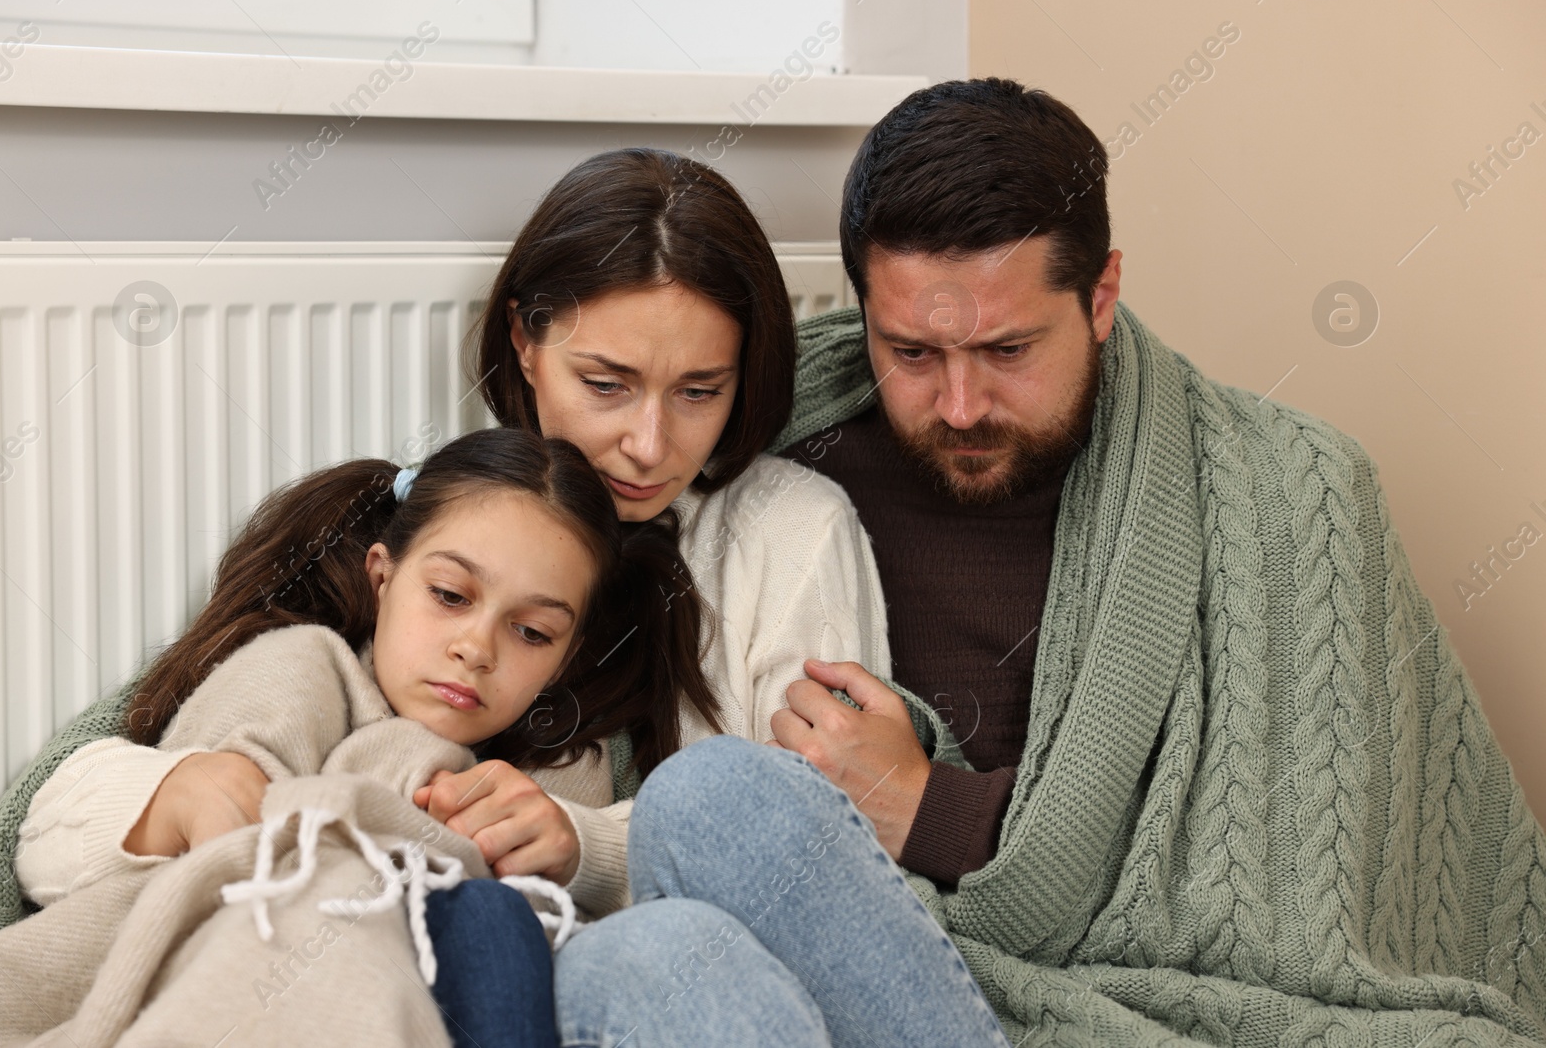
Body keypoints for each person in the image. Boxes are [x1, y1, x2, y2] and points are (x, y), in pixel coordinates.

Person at [568, 79, 1546, 1045]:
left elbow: (1303, 894)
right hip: (853, 963)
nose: (958, 404)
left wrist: (929, 808)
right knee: (656, 913)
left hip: (1088, 993)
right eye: (910, 352)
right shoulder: (749, 445)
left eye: (1006, 349)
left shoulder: (1289, 494)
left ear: (1101, 294)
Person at [0, 148, 1008, 1045]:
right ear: (525, 340)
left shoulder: (787, 526)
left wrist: (581, 842)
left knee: (714, 799)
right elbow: (106, 767)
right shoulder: (438, 530)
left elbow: (818, 842)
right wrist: (179, 787)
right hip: (586, 967)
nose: (648, 444)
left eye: (700, 391)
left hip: (748, 941)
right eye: (606, 384)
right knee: (647, 947)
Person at [0, 426, 711, 1046]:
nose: (477, 647)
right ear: (383, 578)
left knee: (497, 922)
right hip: (269, 981)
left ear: (566, 655)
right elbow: (174, 863)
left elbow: (617, 909)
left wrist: (576, 848)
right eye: (449, 595)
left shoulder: (559, 767)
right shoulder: (303, 667)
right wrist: (177, 798)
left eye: (532, 631)